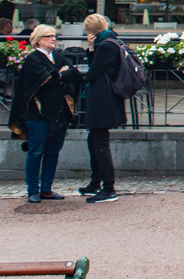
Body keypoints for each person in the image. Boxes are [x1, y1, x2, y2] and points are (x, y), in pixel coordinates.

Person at [8, 25, 82, 203]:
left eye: (54, 36)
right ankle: (33, 190)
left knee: (53, 152)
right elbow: (45, 81)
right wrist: (60, 77)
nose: (53, 39)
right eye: (49, 36)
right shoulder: (33, 59)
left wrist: (60, 77)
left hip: (59, 113)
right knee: (36, 152)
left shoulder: (58, 56)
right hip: (38, 115)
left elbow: (74, 74)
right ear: (38, 40)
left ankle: (47, 189)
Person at [80, 13, 125, 203]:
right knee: (95, 140)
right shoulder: (112, 41)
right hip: (108, 98)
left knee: (99, 143)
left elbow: (92, 73)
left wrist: (91, 49)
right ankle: (95, 183)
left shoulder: (105, 46)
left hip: (102, 99)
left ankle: (108, 187)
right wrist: (92, 48)